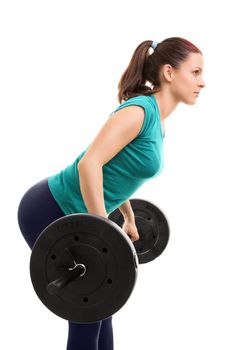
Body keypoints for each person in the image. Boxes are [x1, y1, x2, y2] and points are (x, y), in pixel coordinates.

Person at [17, 37, 206, 350]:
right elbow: (90, 164)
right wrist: (102, 228)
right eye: (196, 72)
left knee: (103, 307)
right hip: (50, 210)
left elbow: (115, 173)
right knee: (88, 309)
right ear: (170, 73)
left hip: (78, 215)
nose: (203, 82)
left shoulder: (157, 121)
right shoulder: (139, 112)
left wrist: (128, 217)